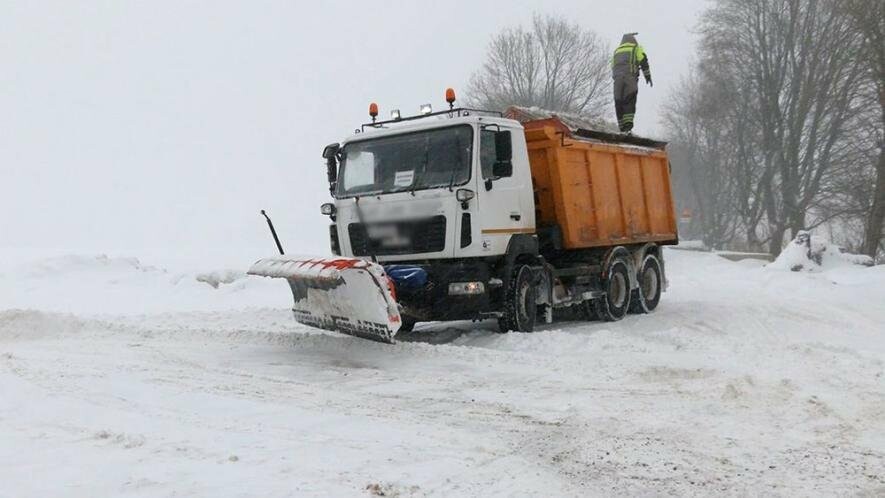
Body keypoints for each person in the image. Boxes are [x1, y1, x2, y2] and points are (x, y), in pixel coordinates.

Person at [612, 33, 652, 134]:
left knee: (619, 102)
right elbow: (643, 61)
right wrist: (647, 76)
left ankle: (621, 128)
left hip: (617, 81)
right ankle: (628, 128)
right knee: (629, 100)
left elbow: (612, 65)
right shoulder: (636, 48)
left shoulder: (616, 51)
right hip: (630, 78)